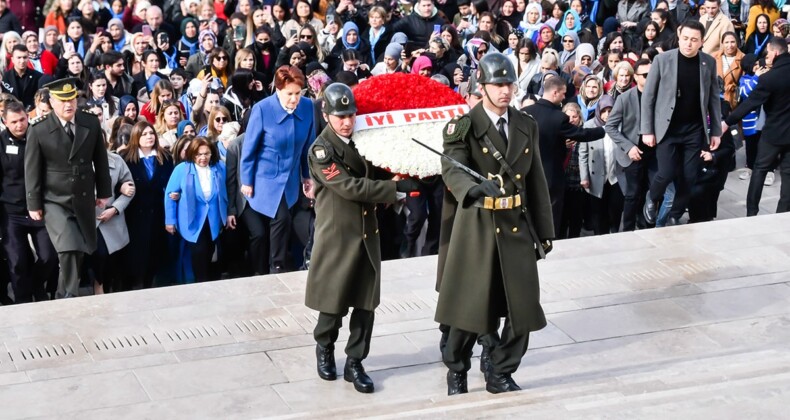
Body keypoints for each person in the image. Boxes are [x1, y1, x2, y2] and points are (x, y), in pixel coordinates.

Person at [437, 53, 554, 396]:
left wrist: (544, 230)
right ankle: (457, 368)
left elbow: (536, 181)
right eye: (498, 85)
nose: (505, 91)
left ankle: (501, 371)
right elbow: (453, 167)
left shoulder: (525, 124)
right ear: (482, 87)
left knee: (524, 308)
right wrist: (473, 188)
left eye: (509, 84)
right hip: (479, 226)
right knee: (469, 309)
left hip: (516, 224)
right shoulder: (464, 126)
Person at [305, 83, 418, 394]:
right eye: (340, 116)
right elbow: (349, 187)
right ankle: (324, 347)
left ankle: (356, 360)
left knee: (366, 303)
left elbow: (377, 171)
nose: (346, 121)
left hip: (368, 231)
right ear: (326, 114)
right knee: (334, 300)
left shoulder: (364, 140)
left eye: (350, 115)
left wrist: (402, 168)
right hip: (338, 234)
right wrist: (392, 190)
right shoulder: (321, 150)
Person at [24, 77, 112, 299]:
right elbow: (32, 169)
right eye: (62, 100)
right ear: (52, 102)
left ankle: (65, 293)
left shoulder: (90, 122)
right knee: (68, 246)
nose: (68, 105)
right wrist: (33, 203)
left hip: (82, 196)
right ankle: (69, 297)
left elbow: (100, 160)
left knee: (79, 248)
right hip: (54, 198)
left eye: (71, 99)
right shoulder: (39, 129)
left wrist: (103, 193)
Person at [641, 20, 722, 226]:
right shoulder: (662, 60)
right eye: (685, 38)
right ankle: (652, 197)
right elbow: (648, 97)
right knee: (666, 172)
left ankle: (675, 214)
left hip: (694, 129)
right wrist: (647, 130)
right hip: (667, 128)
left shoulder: (708, 62)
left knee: (689, 175)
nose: (688, 43)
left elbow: (713, 97)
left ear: (701, 42)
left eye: (694, 40)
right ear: (679, 36)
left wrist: (716, 132)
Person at [240, 65, 315, 273]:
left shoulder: (308, 107)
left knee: (290, 218)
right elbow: (249, 148)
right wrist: (246, 180)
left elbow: (308, 146)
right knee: (281, 217)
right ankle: (277, 266)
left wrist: (307, 176)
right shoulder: (262, 109)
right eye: (289, 94)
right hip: (265, 177)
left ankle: (293, 261)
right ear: (278, 90)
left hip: (290, 177)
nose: (294, 99)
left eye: (298, 93)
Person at [523, 76, 605, 237]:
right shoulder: (558, 117)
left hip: (527, 172)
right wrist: (604, 130)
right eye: (563, 93)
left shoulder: (525, 113)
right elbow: (581, 133)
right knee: (552, 214)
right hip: (552, 175)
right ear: (555, 92)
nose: (564, 97)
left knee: (529, 210)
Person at [723, 37, 790, 216]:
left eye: (767, 53)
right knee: (788, 174)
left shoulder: (769, 78)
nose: (765, 56)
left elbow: (750, 103)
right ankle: (783, 213)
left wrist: (727, 122)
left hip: (773, 134)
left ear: (775, 52)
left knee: (759, 170)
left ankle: (752, 213)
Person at [0, 101, 58, 303]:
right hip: (12, 212)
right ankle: (22, 301)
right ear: (5, 122)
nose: (19, 125)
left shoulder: (39, 136)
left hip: (40, 209)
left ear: (28, 117)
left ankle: (35, 285)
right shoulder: (0, 143)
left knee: (49, 256)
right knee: (17, 261)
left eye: (22, 119)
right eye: (14, 121)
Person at [165, 137, 227, 282]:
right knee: (199, 252)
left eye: (206, 153)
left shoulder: (219, 168)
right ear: (192, 154)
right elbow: (170, 194)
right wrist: (170, 220)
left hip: (213, 218)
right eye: (198, 154)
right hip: (191, 219)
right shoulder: (182, 169)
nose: (203, 158)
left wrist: (229, 213)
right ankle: (201, 283)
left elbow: (227, 191)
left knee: (210, 251)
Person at [606, 58, 656, 231]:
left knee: (655, 190)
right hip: (633, 152)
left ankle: (647, 224)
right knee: (633, 194)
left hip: (655, 151)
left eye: (652, 74)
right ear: (636, 77)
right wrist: (628, 147)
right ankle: (627, 230)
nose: (650, 77)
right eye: (645, 75)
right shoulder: (625, 98)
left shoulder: (659, 95)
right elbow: (610, 126)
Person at [579, 95, 626, 235]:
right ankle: (600, 236)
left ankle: (614, 233)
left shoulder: (621, 125)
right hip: (596, 177)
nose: (607, 114)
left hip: (616, 176)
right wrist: (584, 177)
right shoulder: (589, 126)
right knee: (598, 212)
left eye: (610, 110)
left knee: (616, 209)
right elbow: (583, 154)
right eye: (604, 111)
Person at [1, 45, 44, 110]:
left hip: (33, 113)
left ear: (28, 58)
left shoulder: (38, 76)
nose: (22, 61)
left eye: (25, 57)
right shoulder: (5, 77)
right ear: (12, 59)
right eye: (19, 57)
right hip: (11, 113)